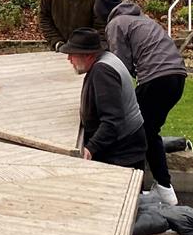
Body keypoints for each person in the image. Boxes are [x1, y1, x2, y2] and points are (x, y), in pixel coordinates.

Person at [94, 0, 187, 205]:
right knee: (147, 128)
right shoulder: (141, 19)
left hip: (156, 78)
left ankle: (158, 189)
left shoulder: (116, 24)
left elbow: (119, 65)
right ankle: (159, 188)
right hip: (177, 77)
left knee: (139, 130)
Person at [60, 28, 147, 170]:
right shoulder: (106, 60)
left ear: (88, 56)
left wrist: (91, 148)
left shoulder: (103, 72)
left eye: (72, 54)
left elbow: (113, 120)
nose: (69, 59)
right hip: (126, 145)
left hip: (123, 152)